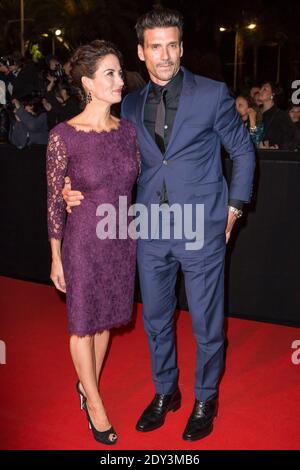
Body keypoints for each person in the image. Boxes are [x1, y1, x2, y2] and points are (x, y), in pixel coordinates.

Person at [63, 9, 255, 441]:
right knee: (156, 320)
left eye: (172, 45)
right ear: (141, 52)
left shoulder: (212, 95)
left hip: (201, 228)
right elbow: (106, 162)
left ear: (181, 48)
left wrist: (235, 208)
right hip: (149, 228)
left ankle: (205, 397)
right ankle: (166, 391)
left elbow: (242, 151)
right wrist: (69, 190)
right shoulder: (127, 104)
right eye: (155, 46)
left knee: (207, 322)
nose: (164, 55)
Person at [46, 40, 139, 445]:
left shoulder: (128, 131)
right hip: (83, 239)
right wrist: (55, 258)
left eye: (120, 73)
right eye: (111, 74)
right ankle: (95, 402)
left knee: (105, 320)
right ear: (88, 82)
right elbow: (53, 202)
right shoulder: (63, 136)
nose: (120, 81)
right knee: (83, 322)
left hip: (120, 238)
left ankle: (88, 385)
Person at [259, 81, 295, 149]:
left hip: (272, 157)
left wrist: (277, 147)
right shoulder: (254, 112)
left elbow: (289, 138)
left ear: (272, 94)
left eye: (265, 89)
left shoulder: (281, 116)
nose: (260, 91)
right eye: (261, 88)